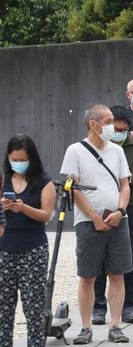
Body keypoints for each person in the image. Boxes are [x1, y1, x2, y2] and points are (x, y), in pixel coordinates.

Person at [60, 104, 132, 344]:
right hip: (87, 222)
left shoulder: (117, 151)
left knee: (118, 273)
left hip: (117, 219)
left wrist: (121, 210)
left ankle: (116, 325)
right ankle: (86, 327)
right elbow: (73, 188)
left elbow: (124, 184)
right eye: (108, 120)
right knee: (88, 276)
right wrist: (94, 217)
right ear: (93, 123)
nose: (113, 125)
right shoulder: (75, 151)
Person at [92, 106, 133, 325]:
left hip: (132, 207)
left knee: (129, 258)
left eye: (123, 129)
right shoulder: (95, 148)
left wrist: (130, 180)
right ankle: (98, 307)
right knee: (99, 258)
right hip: (102, 208)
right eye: (115, 128)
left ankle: (129, 306)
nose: (119, 132)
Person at [0, 135, 55, 347]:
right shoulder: (3, 179)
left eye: (23, 159)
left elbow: (46, 215)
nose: (18, 163)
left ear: (31, 158)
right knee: (4, 308)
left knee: (34, 308)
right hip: (5, 250)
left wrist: (23, 207)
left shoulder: (43, 182)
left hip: (34, 250)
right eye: (14, 159)